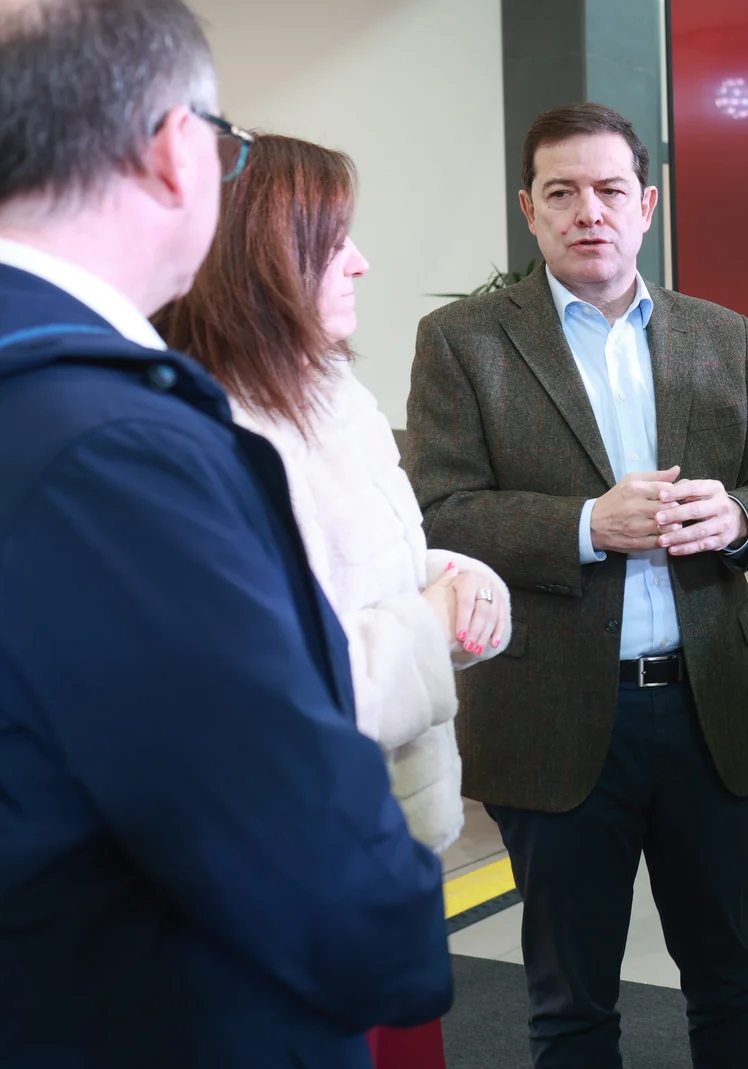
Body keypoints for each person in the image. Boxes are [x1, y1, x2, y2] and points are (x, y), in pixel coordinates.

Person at [0, 1, 451, 1066]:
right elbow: (304, 850)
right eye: (225, 141)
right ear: (170, 151)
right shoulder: (110, 442)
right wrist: (399, 938)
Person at [405, 102, 748, 1068]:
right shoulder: (464, 341)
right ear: (530, 211)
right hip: (552, 718)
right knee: (571, 1005)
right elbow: (440, 510)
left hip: (711, 712)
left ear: (647, 206)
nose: (589, 210)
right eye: (562, 192)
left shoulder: (723, 336)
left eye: (609, 190)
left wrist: (741, 518)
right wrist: (588, 525)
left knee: (731, 983)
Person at [154, 133, 513, 1068]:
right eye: (335, 240)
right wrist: (427, 627)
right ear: (263, 259)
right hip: (301, 860)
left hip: (383, 841)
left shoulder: (330, 391)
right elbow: (280, 687)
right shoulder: (210, 428)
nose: (363, 260)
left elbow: (369, 567)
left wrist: (460, 583)